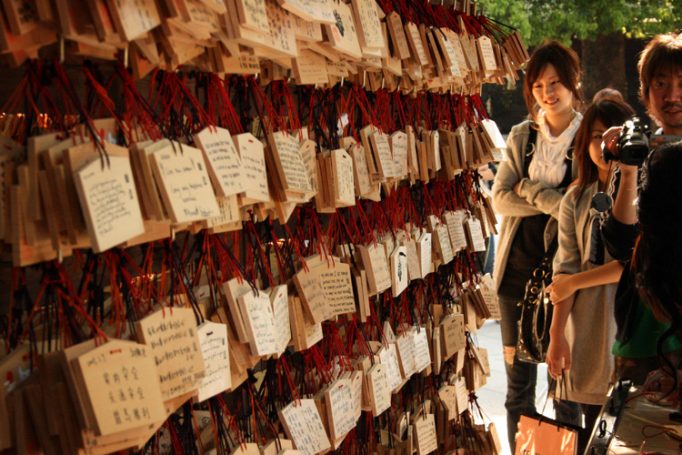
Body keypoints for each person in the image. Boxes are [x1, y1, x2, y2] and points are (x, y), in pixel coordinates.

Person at [491, 40, 583, 451]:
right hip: (515, 276)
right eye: (539, 84)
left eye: (556, 83)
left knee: (564, 390)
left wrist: (529, 188)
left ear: (573, 82)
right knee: (518, 389)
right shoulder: (522, 136)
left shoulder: (587, 137)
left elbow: (578, 209)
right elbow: (500, 197)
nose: (548, 93)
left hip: (565, 280)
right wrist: (549, 200)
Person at [544, 90, 635, 453]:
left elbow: (628, 266)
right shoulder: (577, 196)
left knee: (624, 436)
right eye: (596, 136)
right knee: (588, 436)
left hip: (625, 327)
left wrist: (573, 282)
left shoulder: (642, 190)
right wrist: (556, 335)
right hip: (583, 330)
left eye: (611, 134)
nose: (603, 144)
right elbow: (562, 270)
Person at [600, 31, 682, 385]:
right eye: (661, 83)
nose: (672, 94)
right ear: (646, 92)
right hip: (643, 337)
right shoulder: (637, 150)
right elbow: (620, 244)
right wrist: (629, 167)